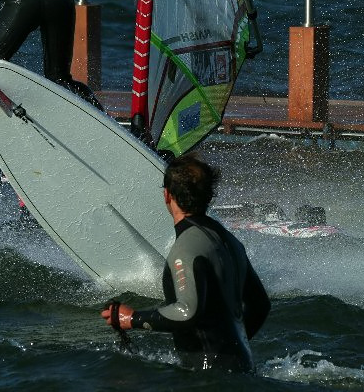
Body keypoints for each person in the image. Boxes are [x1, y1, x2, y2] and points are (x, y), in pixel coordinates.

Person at [101, 153, 271, 373]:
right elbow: (260, 305)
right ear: (208, 196)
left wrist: (132, 318)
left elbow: (187, 311)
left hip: (209, 379)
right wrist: (231, 348)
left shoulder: (187, 247)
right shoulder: (230, 241)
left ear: (167, 195)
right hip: (242, 368)